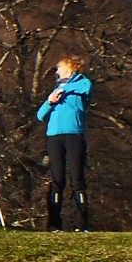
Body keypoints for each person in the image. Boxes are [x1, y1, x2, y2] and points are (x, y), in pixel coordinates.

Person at [37, 55, 93, 231]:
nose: (57, 71)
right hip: (54, 136)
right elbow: (40, 115)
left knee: (77, 179)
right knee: (57, 179)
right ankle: (54, 223)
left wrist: (65, 90)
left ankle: (81, 225)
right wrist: (50, 101)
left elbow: (87, 87)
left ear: (70, 69)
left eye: (59, 68)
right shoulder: (55, 91)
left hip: (74, 135)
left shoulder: (81, 84)